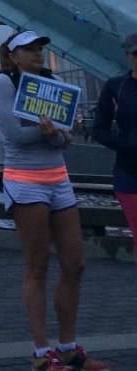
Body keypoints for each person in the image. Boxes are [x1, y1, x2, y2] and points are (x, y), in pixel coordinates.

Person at [0, 31, 109, 371]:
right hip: (25, 180)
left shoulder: (53, 82)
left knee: (75, 263)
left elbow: (64, 141)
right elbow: (15, 135)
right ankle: (42, 353)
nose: (37, 53)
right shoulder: (4, 83)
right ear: (13, 56)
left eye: (40, 48)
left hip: (58, 178)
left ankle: (69, 348)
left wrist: (56, 134)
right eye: (28, 49)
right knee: (38, 264)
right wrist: (52, 131)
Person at [92, 31, 137, 270]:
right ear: (128, 56)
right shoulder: (116, 86)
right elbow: (99, 129)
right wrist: (128, 145)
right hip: (129, 175)